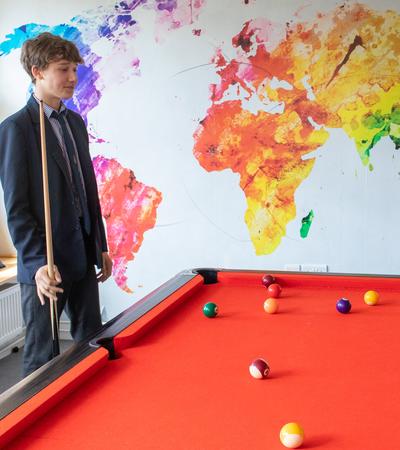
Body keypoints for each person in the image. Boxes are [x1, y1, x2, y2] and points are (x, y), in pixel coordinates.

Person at [0, 32, 113, 377]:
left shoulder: (75, 122)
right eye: (63, 70)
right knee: (41, 358)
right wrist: (36, 265)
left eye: (74, 70)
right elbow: (16, 209)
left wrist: (101, 246)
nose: (72, 78)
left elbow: (86, 191)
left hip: (82, 257)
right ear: (37, 71)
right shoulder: (16, 129)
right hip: (46, 265)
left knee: (91, 344)